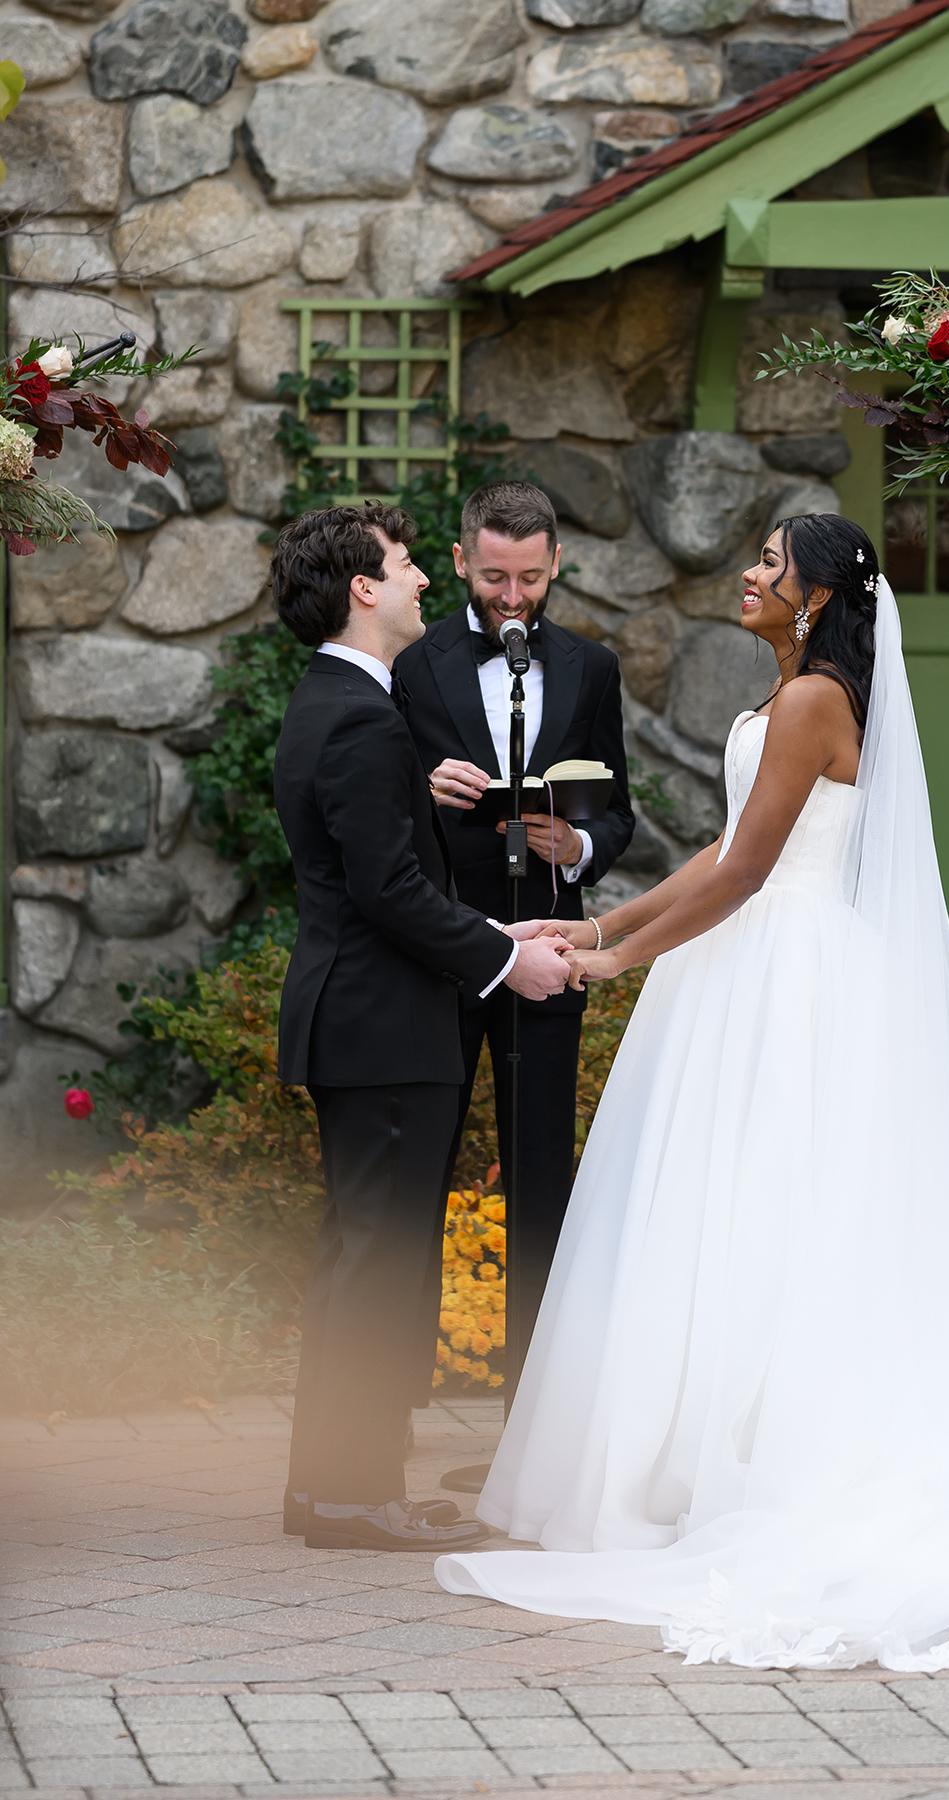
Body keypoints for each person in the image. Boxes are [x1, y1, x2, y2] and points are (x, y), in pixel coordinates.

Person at [437, 512, 949, 1669]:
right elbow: (720, 851)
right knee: (733, 1218)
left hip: (787, 977)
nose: (747, 574)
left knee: (773, 1215)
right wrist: (599, 916)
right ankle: (707, 1456)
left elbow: (748, 873)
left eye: (768, 564)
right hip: (751, 965)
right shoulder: (789, 695)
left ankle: (764, 1460)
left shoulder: (809, 704)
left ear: (818, 595)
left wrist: (611, 963)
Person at [272, 503, 570, 1553]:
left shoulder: (341, 699)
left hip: (369, 1019)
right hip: (382, 1027)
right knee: (381, 1263)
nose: (420, 583)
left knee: (364, 1257)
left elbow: (381, 885)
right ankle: (354, 1495)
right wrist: (506, 960)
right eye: (404, 566)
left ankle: (333, 1488)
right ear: (363, 587)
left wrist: (495, 922)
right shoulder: (361, 714)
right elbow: (387, 889)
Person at [397, 481, 635, 1374]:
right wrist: (421, 792)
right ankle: (399, 1400)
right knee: (423, 1172)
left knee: (543, 1177)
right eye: (494, 575)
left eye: (529, 577)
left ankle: (534, 1404)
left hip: (548, 953)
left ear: (555, 564)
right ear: (462, 561)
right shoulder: (413, 665)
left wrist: (574, 843)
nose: (511, 596)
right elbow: (374, 809)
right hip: (440, 953)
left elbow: (620, 815)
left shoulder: (591, 668)